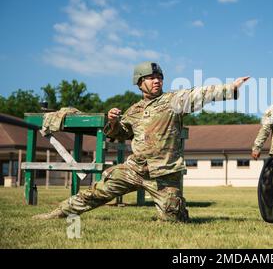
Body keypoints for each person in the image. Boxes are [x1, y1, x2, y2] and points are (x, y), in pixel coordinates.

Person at [33, 62, 249, 222]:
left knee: (173, 219)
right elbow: (121, 133)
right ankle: (58, 213)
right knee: (95, 193)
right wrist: (113, 121)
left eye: (159, 77)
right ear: (139, 83)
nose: (157, 81)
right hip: (134, 169)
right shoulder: (134, 110)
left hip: (163, 174)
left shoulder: (173, 101)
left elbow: (200, 94)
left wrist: (231, 88)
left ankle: (176, 210)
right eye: (150, 77)